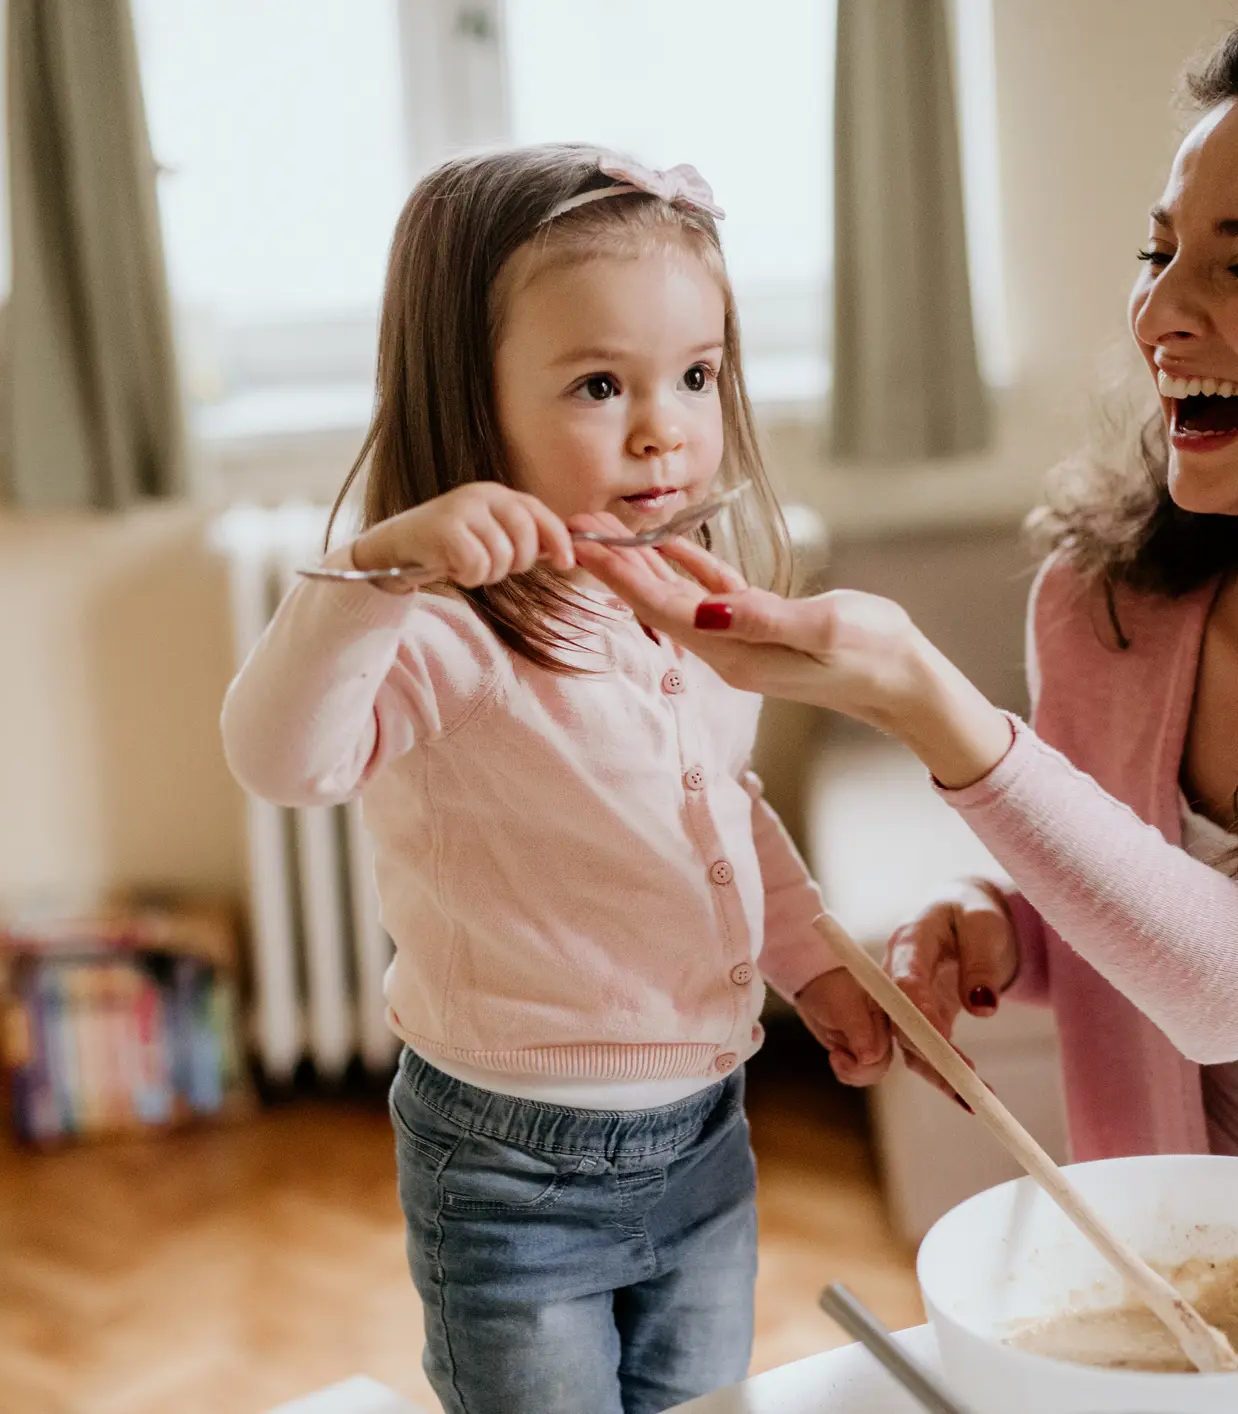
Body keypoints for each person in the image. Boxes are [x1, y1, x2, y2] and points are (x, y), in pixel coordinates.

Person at [575, 3, 1238, 1256]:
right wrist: (1004, 925)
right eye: (1159, 255)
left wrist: (929, 706)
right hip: (1202, 1289)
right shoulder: (1103, 615)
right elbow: (1134, 902)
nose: (1161, 314)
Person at [220, 146, 891, 1413]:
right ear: (472, 406)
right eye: (598, 384)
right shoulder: (444, 631)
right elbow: (278, 759)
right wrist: (376, 571)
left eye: (696, 375)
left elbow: (722, 809)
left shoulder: (693, 600)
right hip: (507, 1170)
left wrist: (816, 960)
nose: (665, 428)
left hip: (706, 1137)